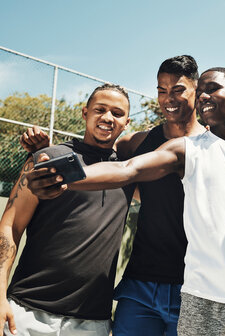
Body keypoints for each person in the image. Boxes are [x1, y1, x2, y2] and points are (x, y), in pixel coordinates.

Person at [26, 67, 225, 336]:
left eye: (212, 88)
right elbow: (126, 169)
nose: (202, 96)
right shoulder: (187, 149)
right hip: (199, 299)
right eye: (199, 91)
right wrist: (65, 174)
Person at [19, 55, 206, 336]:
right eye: (161, 90)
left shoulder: (217, 146)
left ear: (196, 92)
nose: (169, 98)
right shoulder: (135, 144)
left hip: (196, 285)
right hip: (140, 284)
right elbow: (98, 156)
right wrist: (48, 158)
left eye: (178, 90)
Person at [0, 84, 131, 336]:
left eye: (117, 113)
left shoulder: (129, 172)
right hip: (27, 314)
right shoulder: (47, 159)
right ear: (84, 113)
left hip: (92, 323)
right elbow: (10, 227)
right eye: (99, 109)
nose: (107, 117)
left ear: (126, 123)